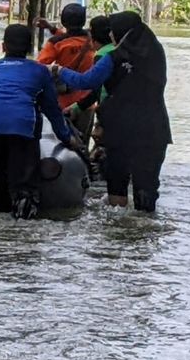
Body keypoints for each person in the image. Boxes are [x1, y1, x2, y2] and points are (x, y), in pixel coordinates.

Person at [53, 11, 171, 213]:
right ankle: (145, 229)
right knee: (146, 187)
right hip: (155, 130)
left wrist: (59, 71)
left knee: (117, 185)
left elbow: (87, 82)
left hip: (121, 131)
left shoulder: (113, 58)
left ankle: (118, 234)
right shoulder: (157, 55)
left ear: (119, 34)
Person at [0, 24, 77, 219]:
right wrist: (67, 137)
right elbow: (52, 109)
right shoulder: (39, 71)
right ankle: (22, 232)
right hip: (23, 128)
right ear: (31, 47)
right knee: (24, 186)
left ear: (3, 46)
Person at [36, 4, 96, 140]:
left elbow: (38, 67)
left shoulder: (56, 43)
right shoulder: (92, 40)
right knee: (82, 146)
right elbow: (71, 38)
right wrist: (51, 28)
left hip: (61, 103)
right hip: (86, 103)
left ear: (63, 21)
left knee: (60, 144)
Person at [64, 15, 115, 150]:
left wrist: (58, 71)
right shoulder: (119, 50)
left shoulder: (103, 55)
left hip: (108, 112)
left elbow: (92, 85)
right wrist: (78, 107)